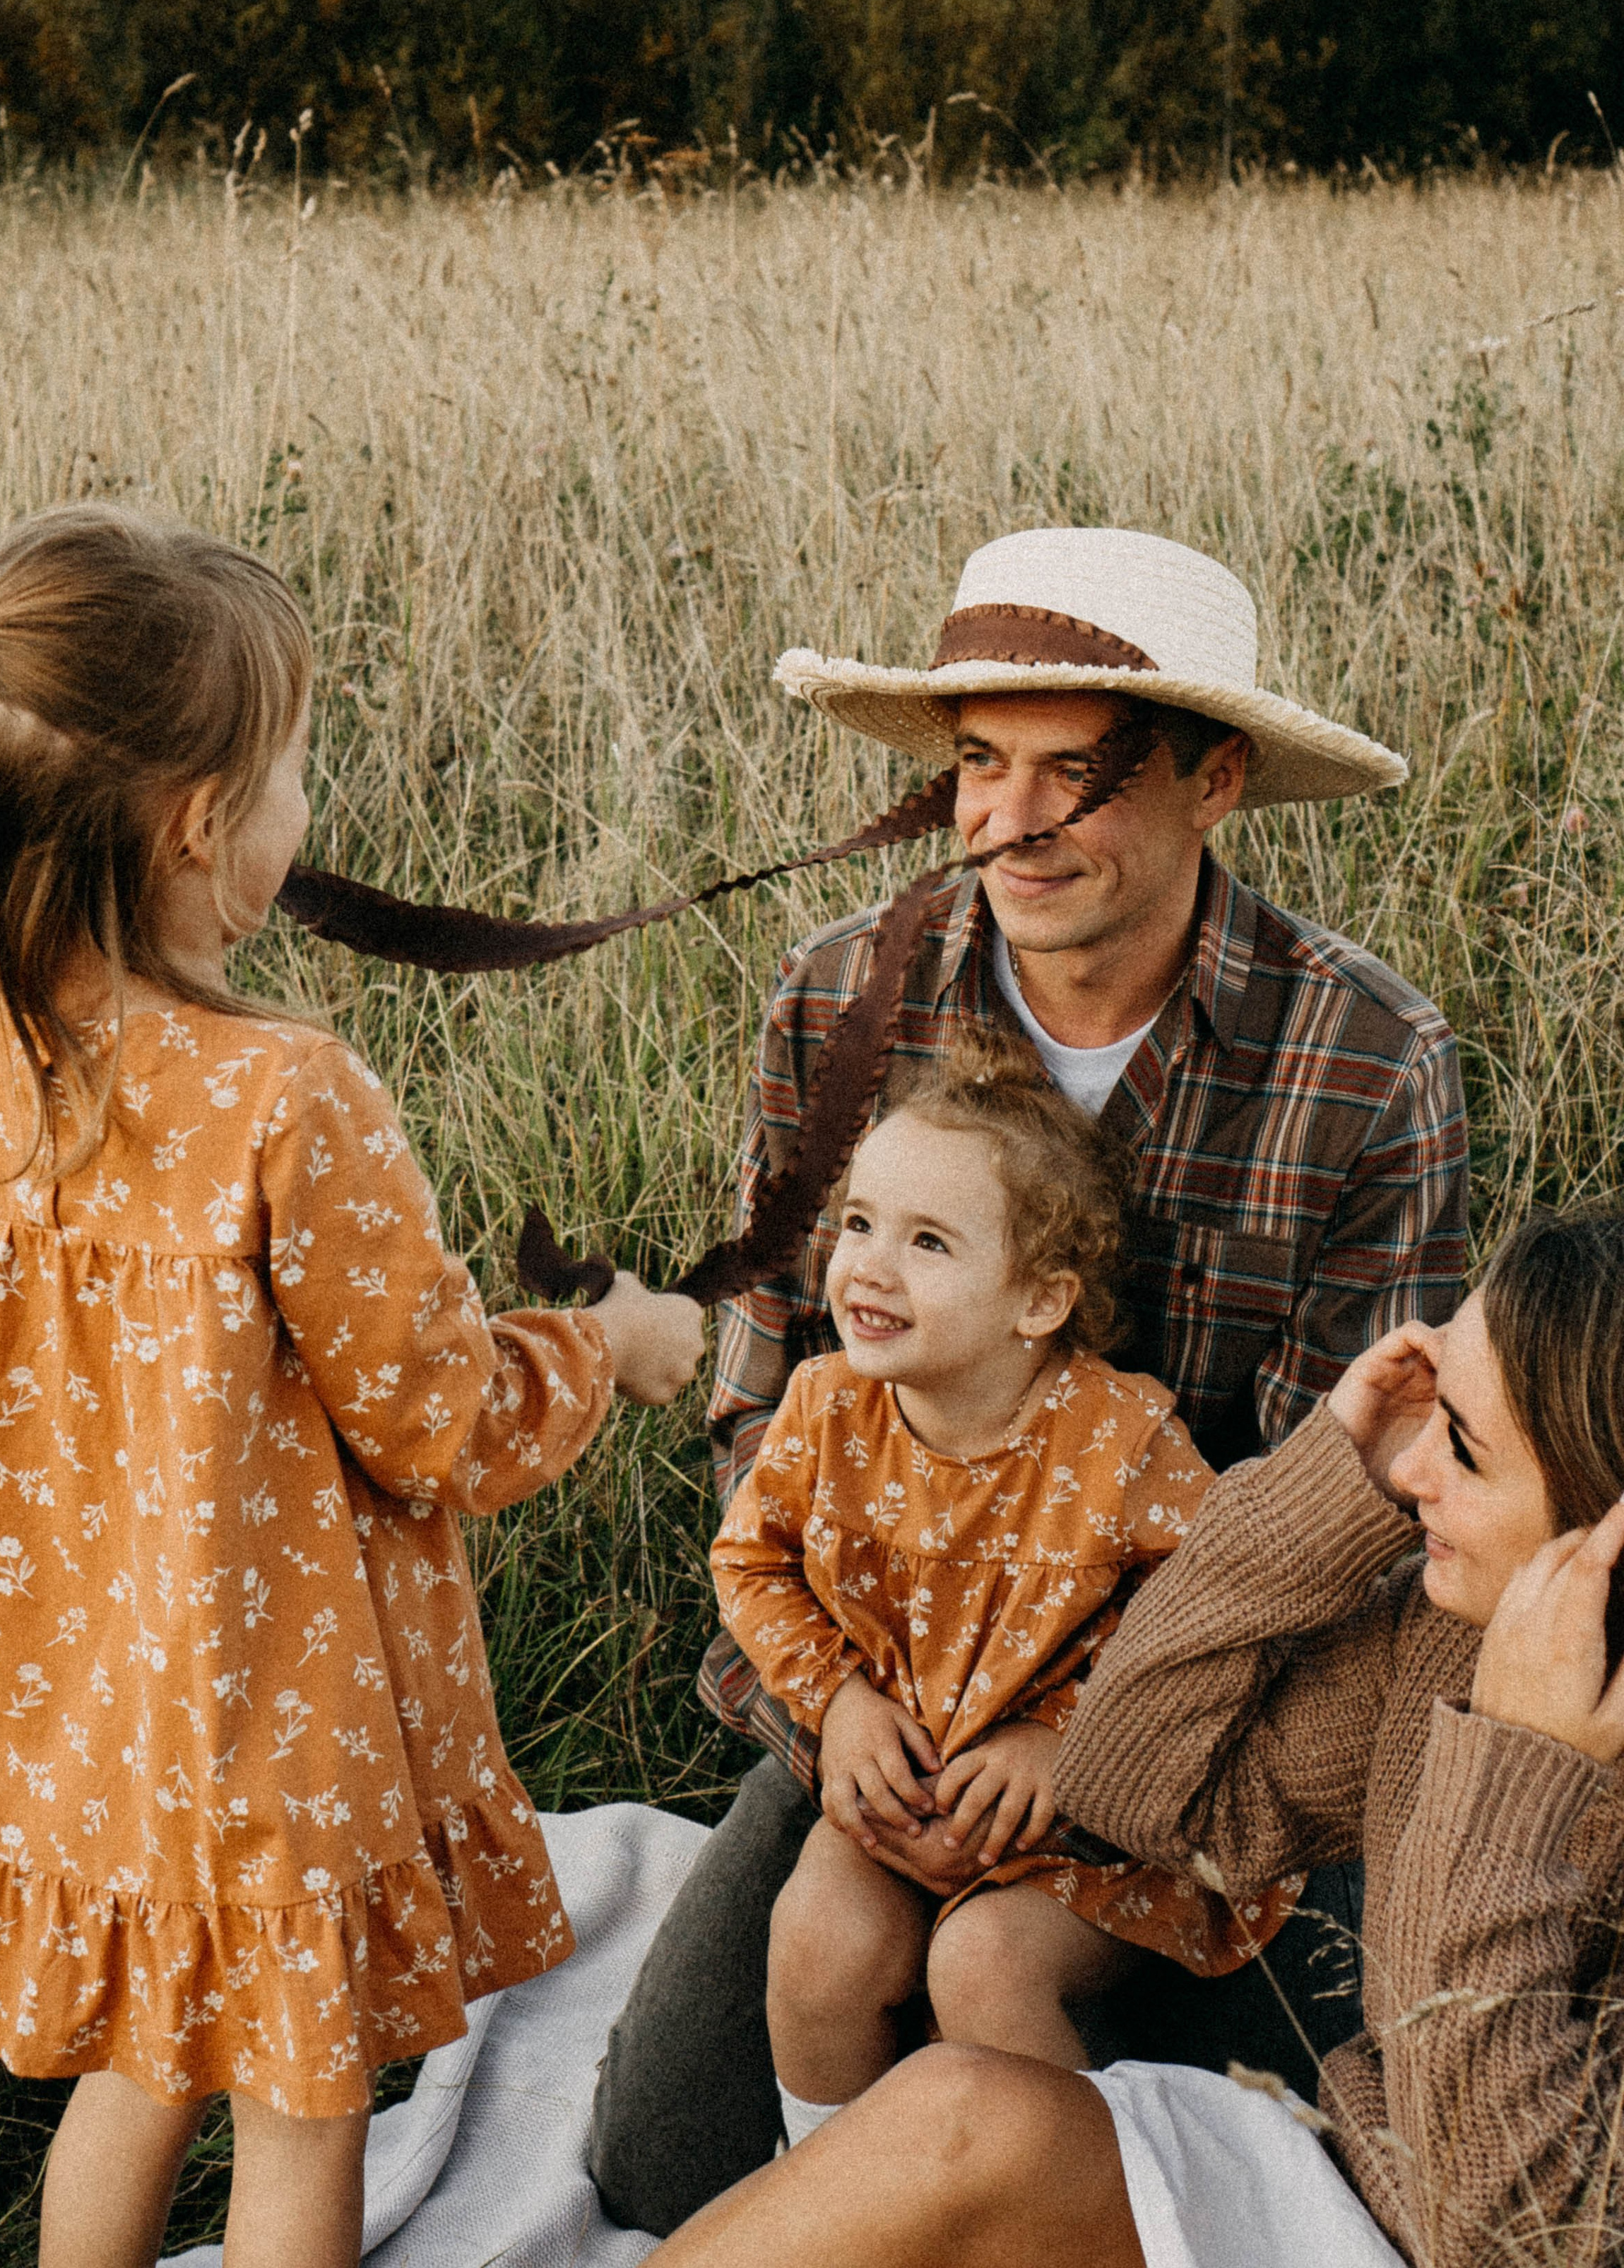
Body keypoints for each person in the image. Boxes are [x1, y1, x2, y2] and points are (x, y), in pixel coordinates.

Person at [0, 505, 704, 2268]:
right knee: (305, 2102)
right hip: (258, 1717)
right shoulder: (287, 1101)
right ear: (205, 824)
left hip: (79, 1704)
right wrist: (607, 1346)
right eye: (293, 765)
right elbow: (437, 1422)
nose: (310, 803)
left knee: (151, 2052)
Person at [590, 524, 1469, 2232]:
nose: (1008, 822)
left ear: (1214, 781)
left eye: (1077, 774)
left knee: (1362, 2167)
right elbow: (765, 1406)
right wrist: (835, 1713)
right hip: (895, 1694)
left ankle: (1049, 2164)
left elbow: (1347, 1512)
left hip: (1194, 1725)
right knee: (662, 2161)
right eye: (977, 767)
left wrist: (1095, 1742)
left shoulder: (1365, 1061)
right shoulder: (838, 994)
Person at [645, 1204, 1624, 2268]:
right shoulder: (1443, 1638)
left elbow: (1509, 2232)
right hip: (1345, 2179)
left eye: (1465, 1451)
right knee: (954, 2112)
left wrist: (1518, 1781)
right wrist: (1321, 1487)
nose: (1411, 1472)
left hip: (1433, 2235)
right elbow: (1134, 1786)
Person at [713, 1036, 1298, 2155]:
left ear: (1039, 1302)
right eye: (862, 1224)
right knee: (818, 1941)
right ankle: (835, 2201)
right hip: (906, 1773)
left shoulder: (1117, 1442)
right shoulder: (828, 1411)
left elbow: (1224, 1610)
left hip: (1083, 1818)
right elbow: (752, 1563)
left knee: (979, 1967)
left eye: (928, 1242)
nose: (870, 1268)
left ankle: (1072, 2213)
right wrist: (836, 1703)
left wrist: (1065, 1741)